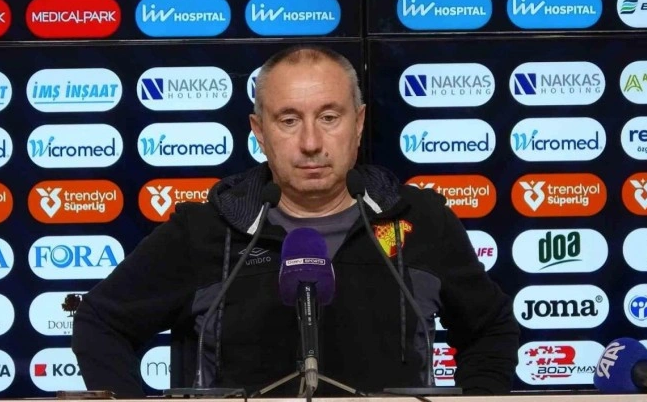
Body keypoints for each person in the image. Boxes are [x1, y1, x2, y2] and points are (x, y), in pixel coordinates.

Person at [71, 45, 520, 398]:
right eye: (289, 120)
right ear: (259, 131)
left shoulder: (421, 221)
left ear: (359, 123)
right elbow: (101, 322)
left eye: (329, 117)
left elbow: (491, 328)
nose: (310, 142)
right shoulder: (204, 231)